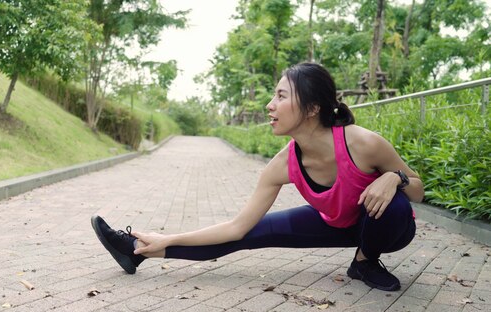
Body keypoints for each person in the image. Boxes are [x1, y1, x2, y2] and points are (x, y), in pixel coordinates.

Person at [91, 62, 423, 291]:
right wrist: (169, 239)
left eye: (281, 96)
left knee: (392, 204)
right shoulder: (282, 165)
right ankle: (135, 250)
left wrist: (395, 178)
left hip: (390, 231)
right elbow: (236, 228)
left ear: (312, 108)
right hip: (334, 223)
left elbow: (418, 190)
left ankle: (365, 262)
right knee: (248, 234)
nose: (269, 105)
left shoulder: (363, 143)